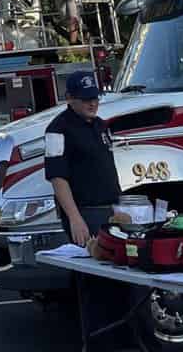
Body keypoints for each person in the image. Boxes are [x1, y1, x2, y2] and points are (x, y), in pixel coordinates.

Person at [45, 70, 126, 351]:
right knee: (93, 285)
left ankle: (120, 339)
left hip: (110, 210)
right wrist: (75, 218)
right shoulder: (57, 130)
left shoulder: (101, 125)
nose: (92, 103)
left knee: (118, 280)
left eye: (95, 98)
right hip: (85, 213)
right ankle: (95, 343)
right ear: (70, 98)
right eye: (86, 99)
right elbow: (58, 178)